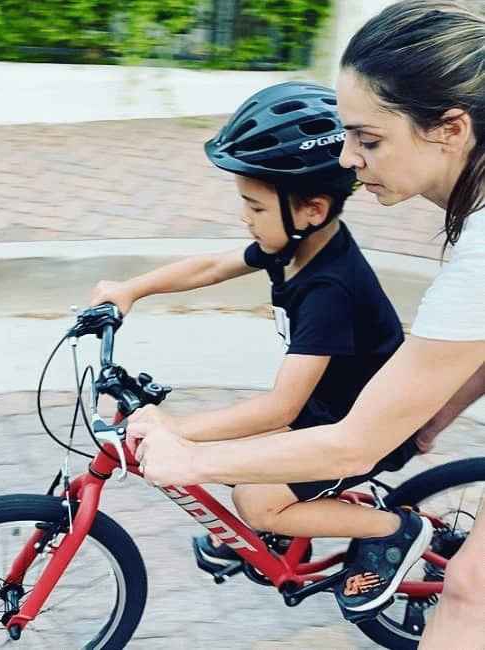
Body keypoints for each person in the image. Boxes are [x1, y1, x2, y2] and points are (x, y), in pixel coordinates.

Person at [128, 1, 485, 644]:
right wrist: (439, 414)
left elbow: (354, 444)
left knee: (469, 596)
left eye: (368, 139)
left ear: (450, 129)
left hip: (348, 427)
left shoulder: (473, 256)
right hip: (350, 417)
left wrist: (190, 456)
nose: (348, 159)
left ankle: (390, 536)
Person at [92, 81, 431, 604]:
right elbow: (210, 266)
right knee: (232, 450)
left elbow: (280, 408)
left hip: (362, 428)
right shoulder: (294, 246)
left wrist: (176, 430)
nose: (244, 218)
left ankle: (392, 532)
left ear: (312, 209)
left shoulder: (330, 290)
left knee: (255, 499)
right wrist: (130, 289)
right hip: (324, 410)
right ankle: (284, 528)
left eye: (254, 207)